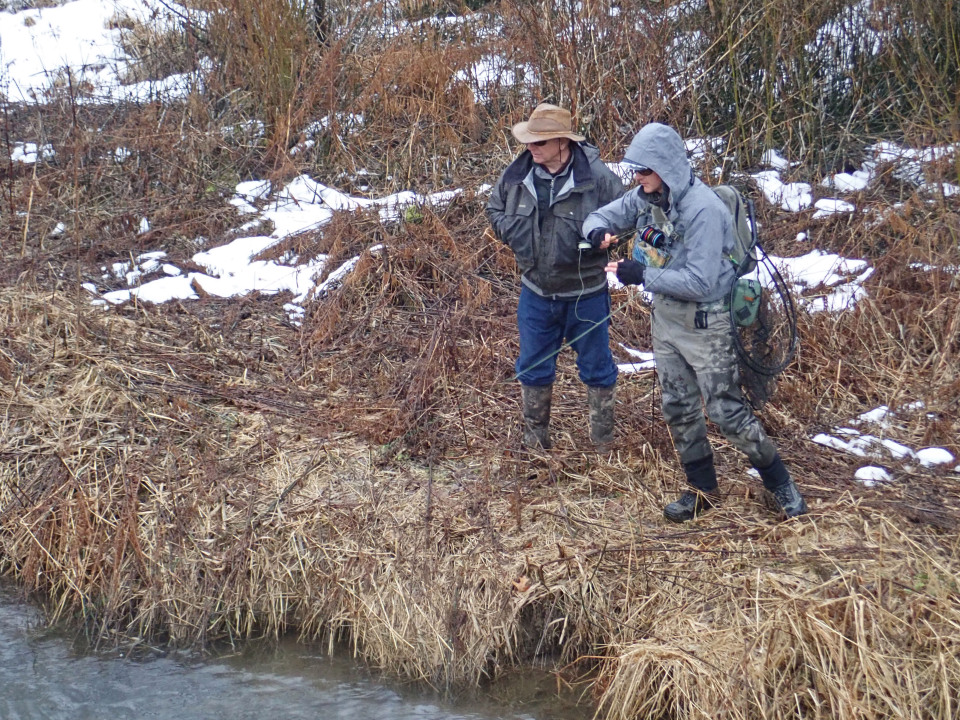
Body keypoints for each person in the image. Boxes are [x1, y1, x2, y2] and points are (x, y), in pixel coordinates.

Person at [582, 122, 807, 521]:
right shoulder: (648, 196)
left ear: (665, 169)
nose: (637, 178)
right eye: (635, 171)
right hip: (666, 322)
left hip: (707, 323)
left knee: (725, 411)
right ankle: (702, 490)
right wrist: (598, 230)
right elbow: (601, 214)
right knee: (678, 406)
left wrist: (641, 275)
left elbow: (701, 282)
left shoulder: (703, 209)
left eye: (644, 171)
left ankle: (780, 483)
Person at [486, 103, 625, 450]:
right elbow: (494, 209)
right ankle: (535, 446)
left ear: (563, 142)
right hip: (536, 292)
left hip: (586, 295)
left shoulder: (598, 178)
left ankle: (602, 449)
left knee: (598, 369)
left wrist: (612, 236)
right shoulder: (517, 174)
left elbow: (628, 213)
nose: (531, 147)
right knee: (533, 367)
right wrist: (514, 234)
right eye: (529, 141)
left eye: (540, 142)